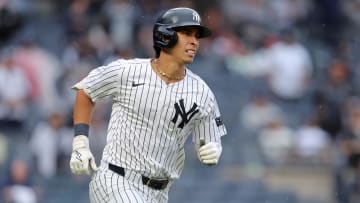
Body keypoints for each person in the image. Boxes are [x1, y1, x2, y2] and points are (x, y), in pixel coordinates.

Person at [69, 7, 227, 203]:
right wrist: (80, 144)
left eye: (197, 36)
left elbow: (210, 141)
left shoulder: (203, 92)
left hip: (159, 193)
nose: (194, 41)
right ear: (165, 35)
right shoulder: (127, 71)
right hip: (116, 179)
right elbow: (86, 91)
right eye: (186, 33)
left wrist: (212, 150)